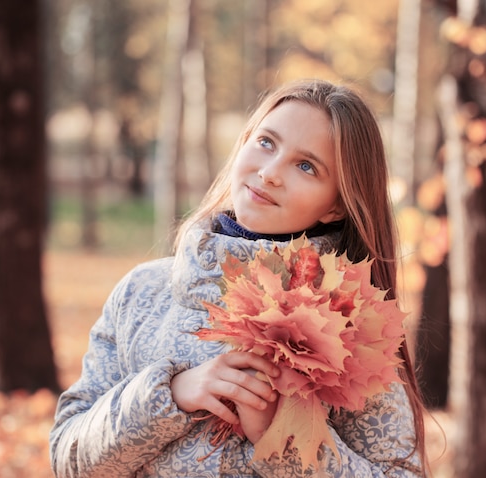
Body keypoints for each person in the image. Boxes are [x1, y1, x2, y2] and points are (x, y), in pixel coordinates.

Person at [50, 79, 427, 477]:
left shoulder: (353, 325)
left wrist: (284, 441)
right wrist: (167, 396)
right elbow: (68, 459)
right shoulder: (141, 293)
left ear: (335, 205)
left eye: (306, 166)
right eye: (266, 142)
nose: (269, 173)